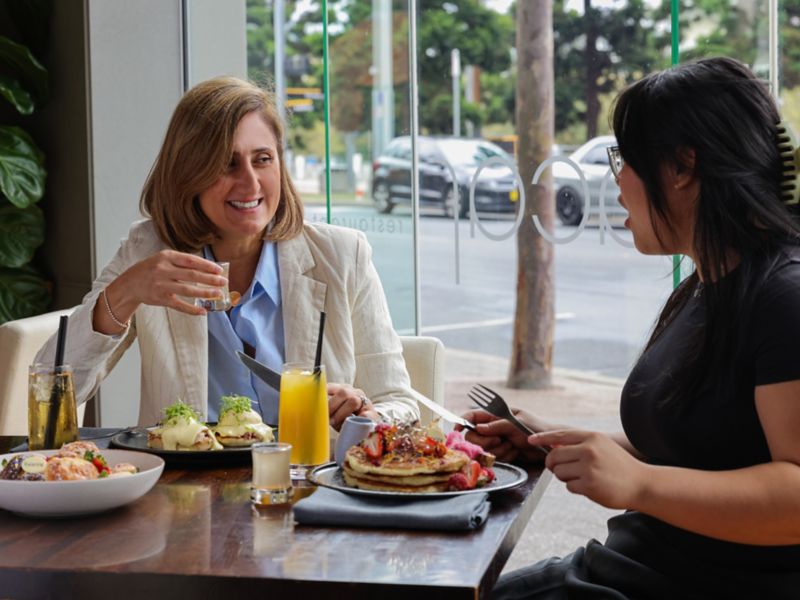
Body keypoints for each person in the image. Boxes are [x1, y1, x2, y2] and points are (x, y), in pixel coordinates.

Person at [464, 57, 800, 598]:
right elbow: (703, 447)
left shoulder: (785, 296)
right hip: (632, 569)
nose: (617, 180)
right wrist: (552, 438)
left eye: (624, 158)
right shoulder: (710, 285)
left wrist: (639, 483)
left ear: (683, 166)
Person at [37, 76, 419, 429]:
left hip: (308, 474)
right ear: (189, 173)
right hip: (185, 478)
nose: (250, 183)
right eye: (226, 164)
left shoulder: (343, 255)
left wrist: (365, 414)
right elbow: (49, 392)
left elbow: (399, 403)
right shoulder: (148, 251)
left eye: (263, 159)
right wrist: (124, 293)